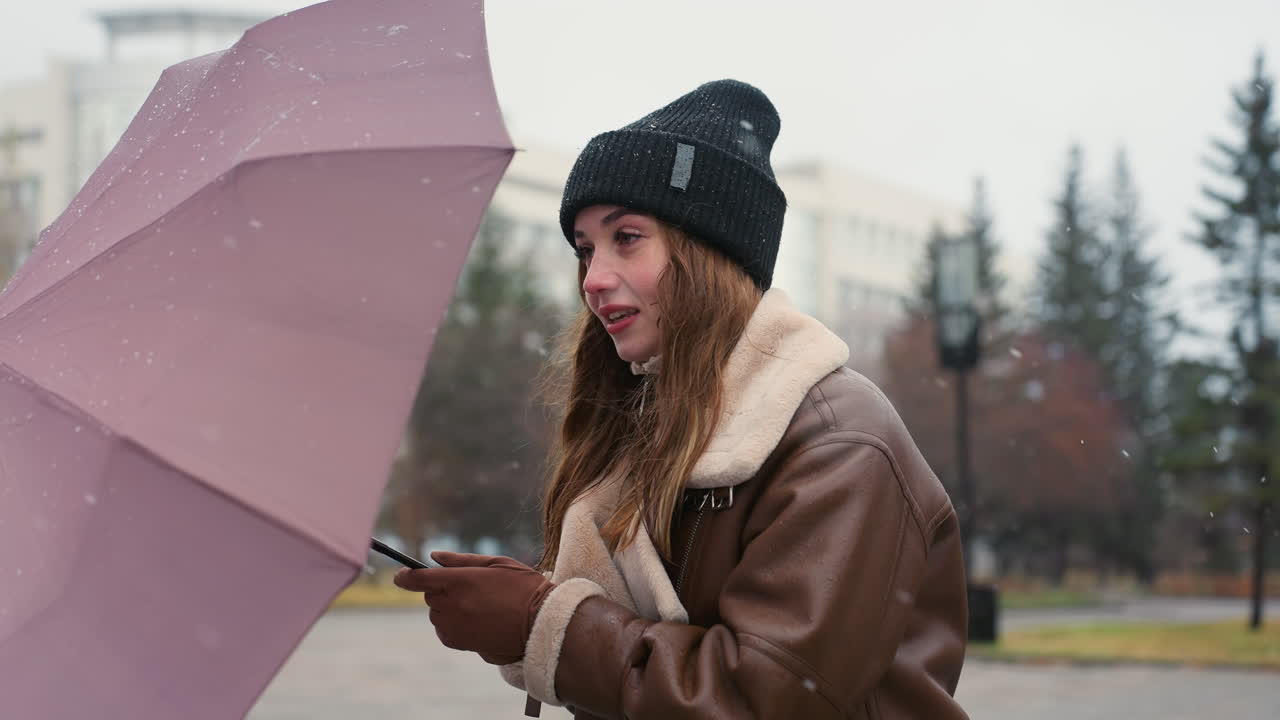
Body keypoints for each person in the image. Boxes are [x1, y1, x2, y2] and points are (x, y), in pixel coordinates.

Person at [394, 79, 970, 719]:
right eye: (585, 251)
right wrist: (522, 599)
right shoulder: (645, 427)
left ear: (709, 252)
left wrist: (542, 625)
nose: (594, 279)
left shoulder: (838, 443)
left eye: (628, 238)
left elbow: (767, 699)